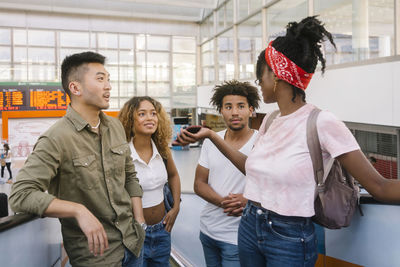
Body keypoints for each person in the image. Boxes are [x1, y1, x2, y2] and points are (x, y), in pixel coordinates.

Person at [177, 16, 400, 267]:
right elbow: (250, 167)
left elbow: (379, 186)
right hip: (250, 225)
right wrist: (211, 137)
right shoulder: (271, 120)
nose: (258, 82)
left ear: (276, 75)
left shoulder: (322, 122)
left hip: (288, 236)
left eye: (260, 74)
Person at [10, 51, 145, 267]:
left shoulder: (115, 127)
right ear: (75, 88)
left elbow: (130, 176)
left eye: (108, 79)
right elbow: (21, 194)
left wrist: (140, 222)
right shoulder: (56, 138)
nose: (108, 86)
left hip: (133, 243)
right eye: (100, 79)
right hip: (96, 257)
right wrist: (78, 210)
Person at [194, 80, 260, 267]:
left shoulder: (261, 142)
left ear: (251, 110)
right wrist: (225, 203)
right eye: (228, 107)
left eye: (241, 106)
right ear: (221, 111)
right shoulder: (209, 142)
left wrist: (248, 201)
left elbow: (274, 184)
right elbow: (199, 184)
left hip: (239, 237)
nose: (235, 112)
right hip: (208, 231)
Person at [119, 96, 181, 267]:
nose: (150, 118)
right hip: (135, 233)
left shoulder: (161, 149)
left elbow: (174, 175)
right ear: (130, 119)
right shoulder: (123, 154)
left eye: (153, 113)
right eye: (142, 114)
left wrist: (176, 207)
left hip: (162, 230)